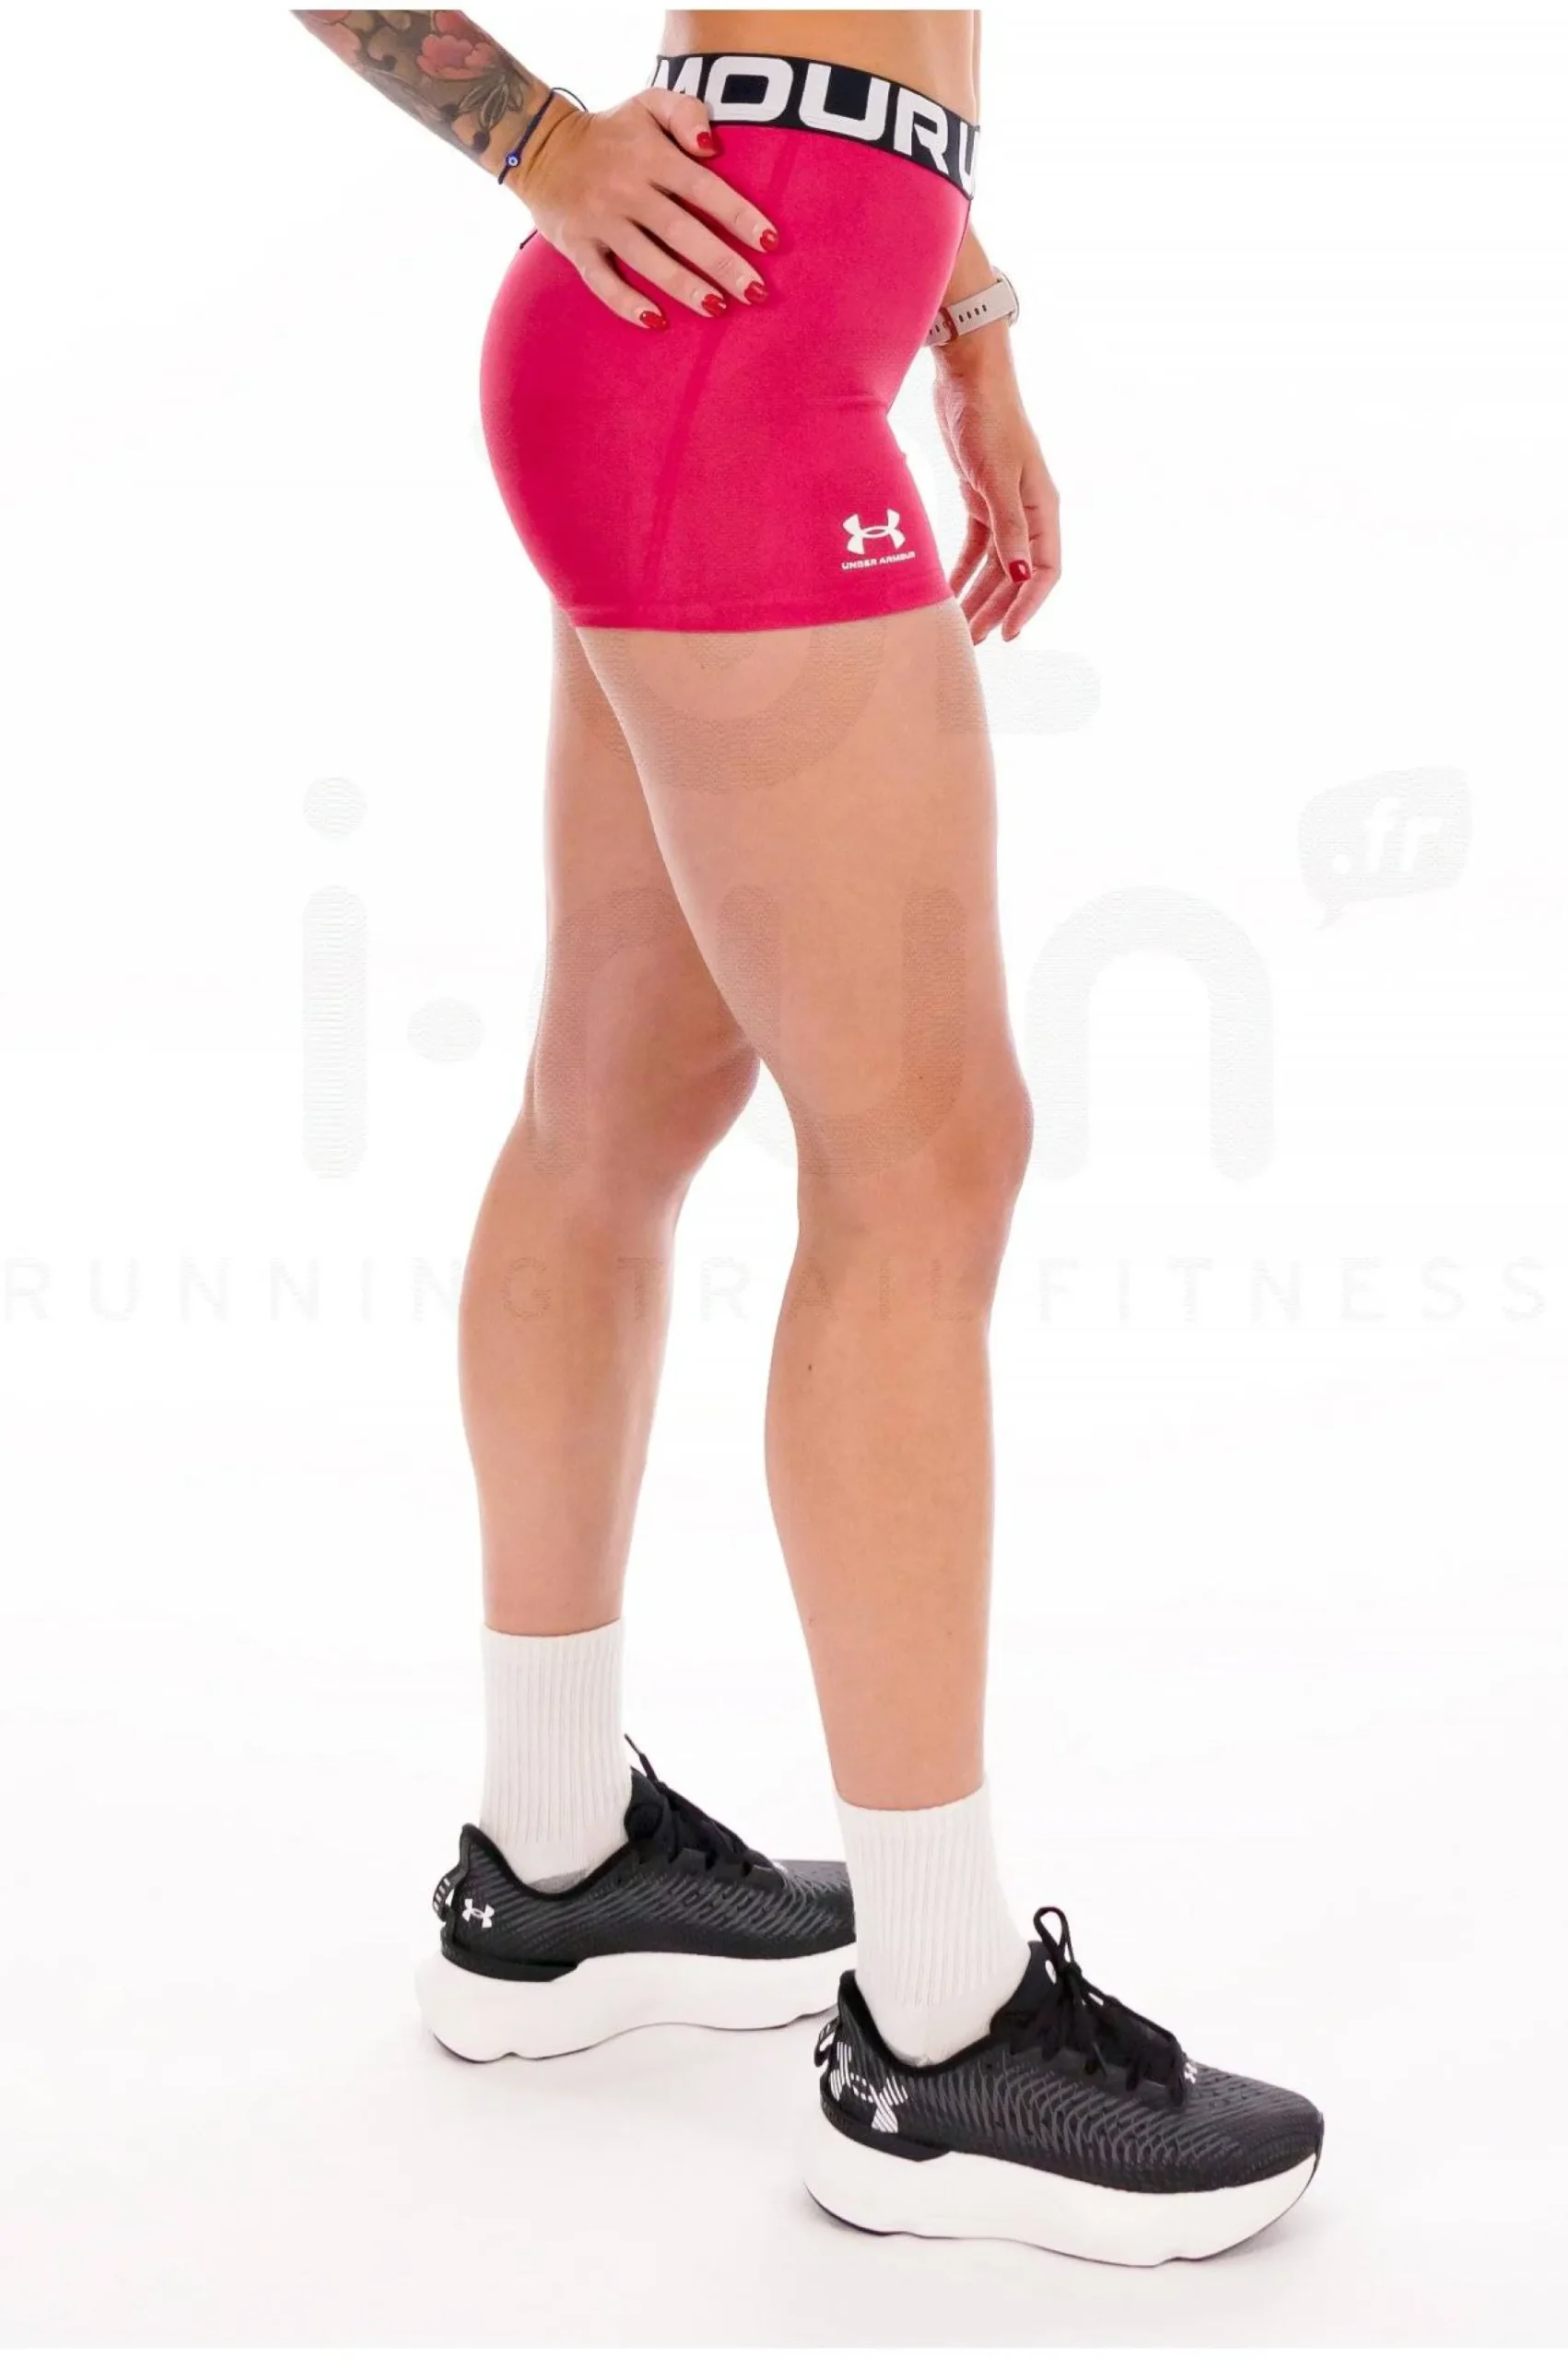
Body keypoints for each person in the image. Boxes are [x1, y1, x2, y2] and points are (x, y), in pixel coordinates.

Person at [295, 8, 1322, 2264]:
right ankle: (941, 2037)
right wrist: (532, 139)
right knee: (926, 1153)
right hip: (722, 349)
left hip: (740, 333)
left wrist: (965, 313)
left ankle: (553, 1865)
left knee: (619, 1101)